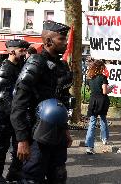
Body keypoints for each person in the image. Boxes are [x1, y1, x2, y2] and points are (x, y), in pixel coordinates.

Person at [10, 20, 74, 184]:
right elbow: (18, 103)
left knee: (59, 175)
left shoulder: (62, 66)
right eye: (62, 39)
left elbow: (62, 101)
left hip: (57, 132)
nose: (66, 42)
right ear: (48, 41)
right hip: (36, 134)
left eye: (65, 39)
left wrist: (65, 129)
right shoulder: (35, 63)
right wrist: (22, 139)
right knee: (32, 177)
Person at [0, 39, 30, 184]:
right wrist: (15, 114)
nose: (25, 53)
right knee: (1, 146)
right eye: (22, 51)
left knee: (19, 145)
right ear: (11, 51)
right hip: (5, 115)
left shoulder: (21, 66)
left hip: (17, 114)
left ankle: (14, 173)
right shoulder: (4, 69)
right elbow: (3, 97)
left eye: (25, 50)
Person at [85, 60, 113, 155]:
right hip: (102, 101)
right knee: (103, 119)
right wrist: (111, 88)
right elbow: (104, 91)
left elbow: (90, 89)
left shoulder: (90, 78)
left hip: (93, 101)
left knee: (92, 122)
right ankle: (105, 139)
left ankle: (89, 146)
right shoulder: (103, 77)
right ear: (101, 68)